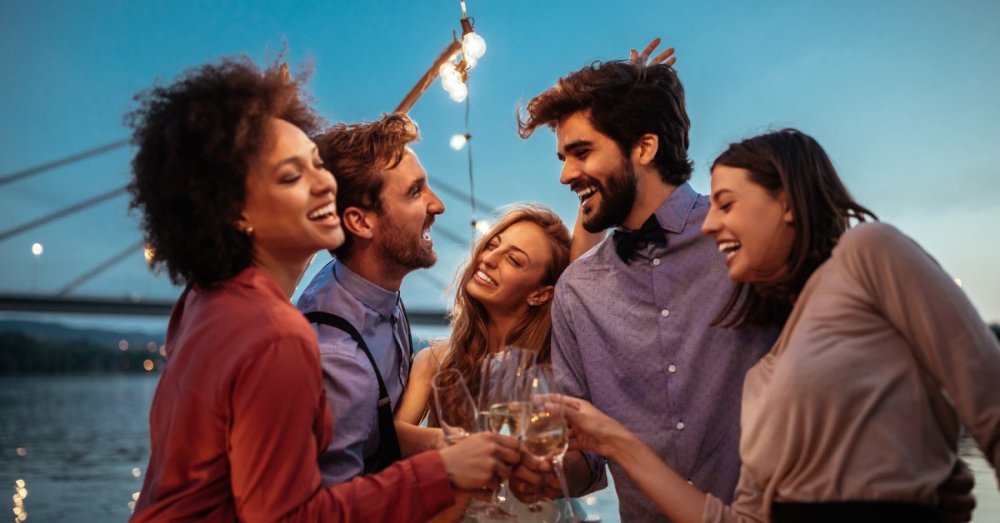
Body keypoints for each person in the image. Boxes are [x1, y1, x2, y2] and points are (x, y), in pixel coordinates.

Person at [127, 58, 519, 521]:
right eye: (292, 177)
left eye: (317, 165)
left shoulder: (204, 298)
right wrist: (441, 471)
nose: (326, 186)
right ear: (233, 211)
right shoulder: (280, 336)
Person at [550, 129, 1000, 523]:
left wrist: (933, 475)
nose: (708, 225)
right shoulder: (761, 378)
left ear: (785, 201)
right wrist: (618, 443)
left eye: (725, 203)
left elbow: (989, 403)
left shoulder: (867, 252)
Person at [511, 48, 779, 522]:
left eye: (582, 152)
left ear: (644, 147)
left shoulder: (743, 241)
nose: (565, 174)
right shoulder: (577, 290)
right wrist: (547, 474)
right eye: (563, 156)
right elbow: (587, 461)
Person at [295, 112, 449, 484]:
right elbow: (332, 510)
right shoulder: (337, 360)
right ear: (361, 222)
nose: (438, 205)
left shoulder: (373, 288)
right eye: (415, 191)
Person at [395, 203, 573, 520]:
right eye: (492, 244)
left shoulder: (554, 372)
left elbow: (582, 463)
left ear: (540, 295)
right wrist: (461, 445)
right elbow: (392, 437)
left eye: (514, 260)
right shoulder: (436, 359)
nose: (488, 259)